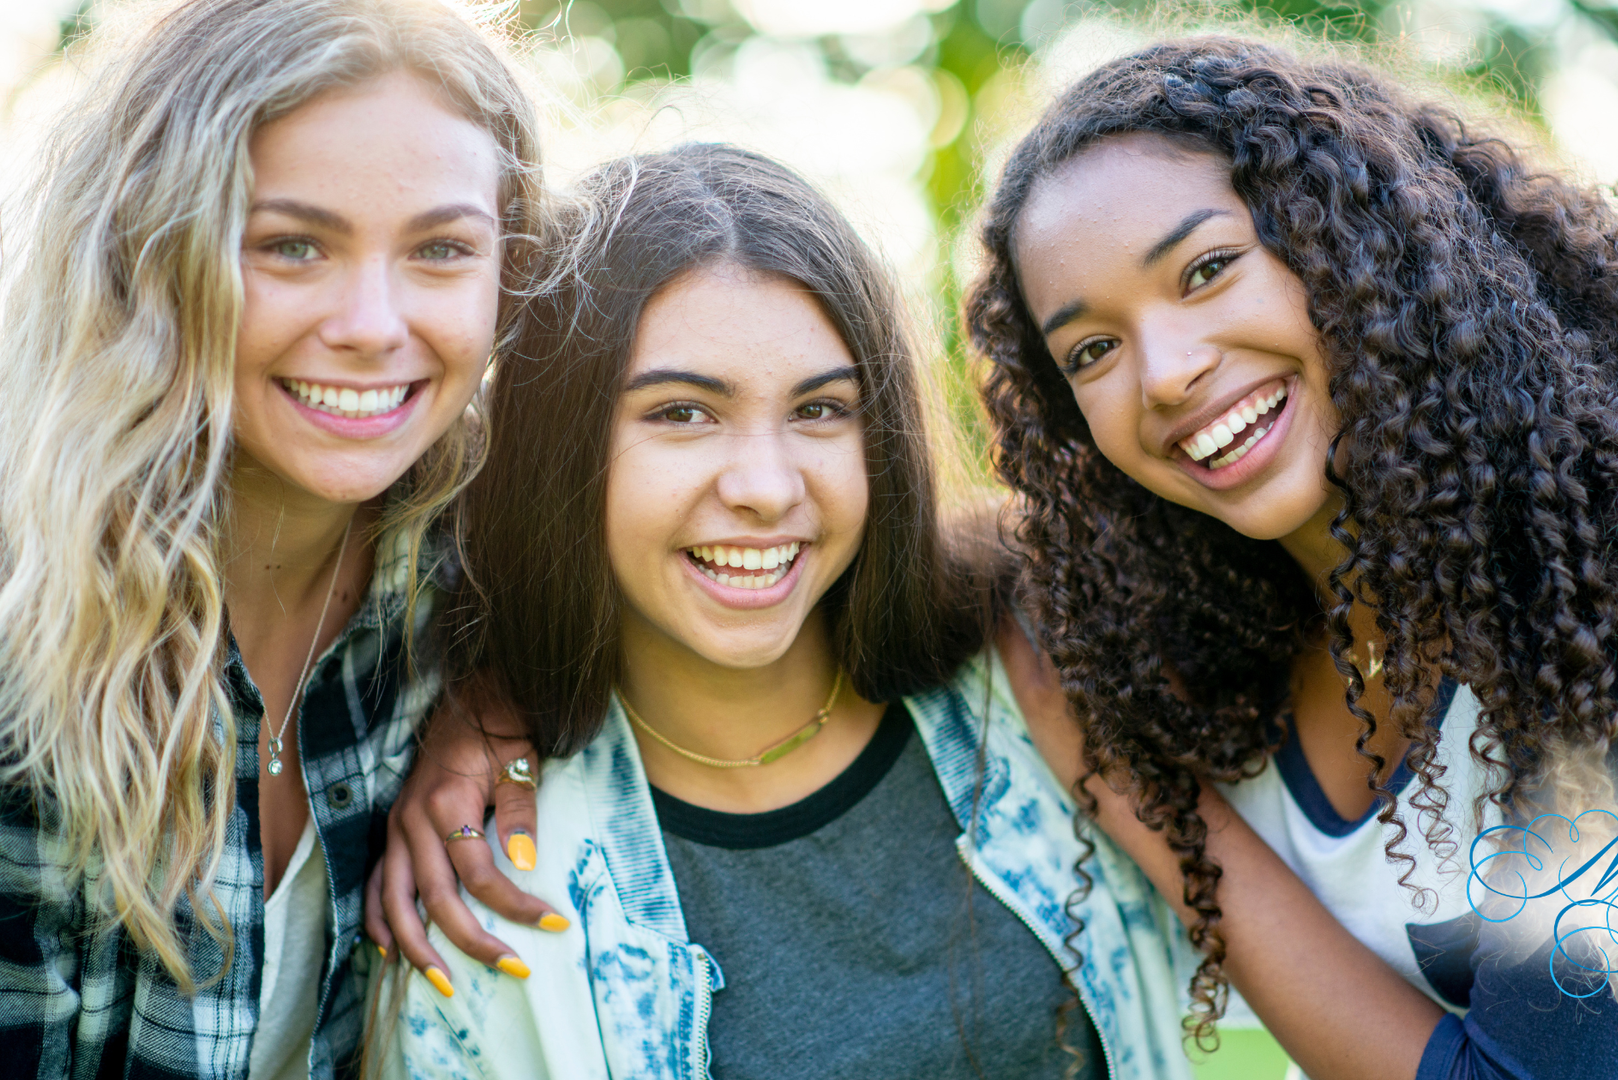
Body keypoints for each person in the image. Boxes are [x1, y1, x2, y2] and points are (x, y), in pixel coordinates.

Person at [964, 34, 1618, 1080]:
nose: (1165, 373)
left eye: (1208, 269)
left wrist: (1132, 795)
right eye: (1091, 350)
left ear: (1350, 244)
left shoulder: (1594, 607)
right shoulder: (1191, 631)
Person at [379, 144, 1199, 1080]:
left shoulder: (1047, 679)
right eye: (681, 413)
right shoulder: (494, 880)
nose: (767, 489)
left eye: (820, 410)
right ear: (563, 447)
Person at [0, 1, 543, 1076]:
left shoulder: (462, 579)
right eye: (292, 244)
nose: (374, 322)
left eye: (442, 249)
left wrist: (495, 701)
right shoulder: (0, 653)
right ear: (149, 253)